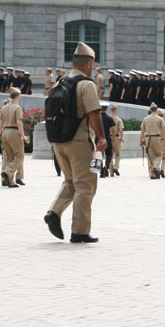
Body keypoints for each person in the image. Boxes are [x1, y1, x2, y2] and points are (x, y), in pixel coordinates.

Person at [44, 42, 105, 244]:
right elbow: (94, 113)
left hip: (59, 141)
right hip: (79, 141)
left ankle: (54, 212)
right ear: (88, 64)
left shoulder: (60, 83)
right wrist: (102, 138)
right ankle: (80, 232)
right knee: (85, 186)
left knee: (71, 181)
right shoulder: (86, 84)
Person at [0, 87, 29, 187]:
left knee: (9, 157)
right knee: (20, 156)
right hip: (14, 131)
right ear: (18, 96)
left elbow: (0, 121)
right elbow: (19, 123)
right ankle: (7, 172)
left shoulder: (4, 107)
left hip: (5, 132)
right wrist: (23, 136)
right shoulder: (17, 107)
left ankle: (10, 181)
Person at [141, 103, 165, 179]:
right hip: (157, 138)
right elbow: (164, 131)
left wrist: (142, 140)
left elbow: (142, 131)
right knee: (159, 155)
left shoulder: (145, 119)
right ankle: (155, 167)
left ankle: (152, 174)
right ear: (156, 110)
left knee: (150, 157)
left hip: (148, 138)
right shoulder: (160, 119)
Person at [99, 103, 115, 179]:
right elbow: (112, 129)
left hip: (98, 138)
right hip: (107, 138)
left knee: (99, 155)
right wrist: (114, 138)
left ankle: (101, 170)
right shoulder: (109, 118)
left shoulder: (97, 118)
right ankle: (106, 166)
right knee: (109, 154)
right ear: (106, 109)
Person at [109, 104, 123, 176]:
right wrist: (122, 137)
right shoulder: (118, 119)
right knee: (118, 154)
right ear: (116, 111)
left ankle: (111, 172)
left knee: (110, 155)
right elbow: (121, 129)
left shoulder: (108, 118)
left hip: (109, 138)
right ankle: (116, 167)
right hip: (116, 138)